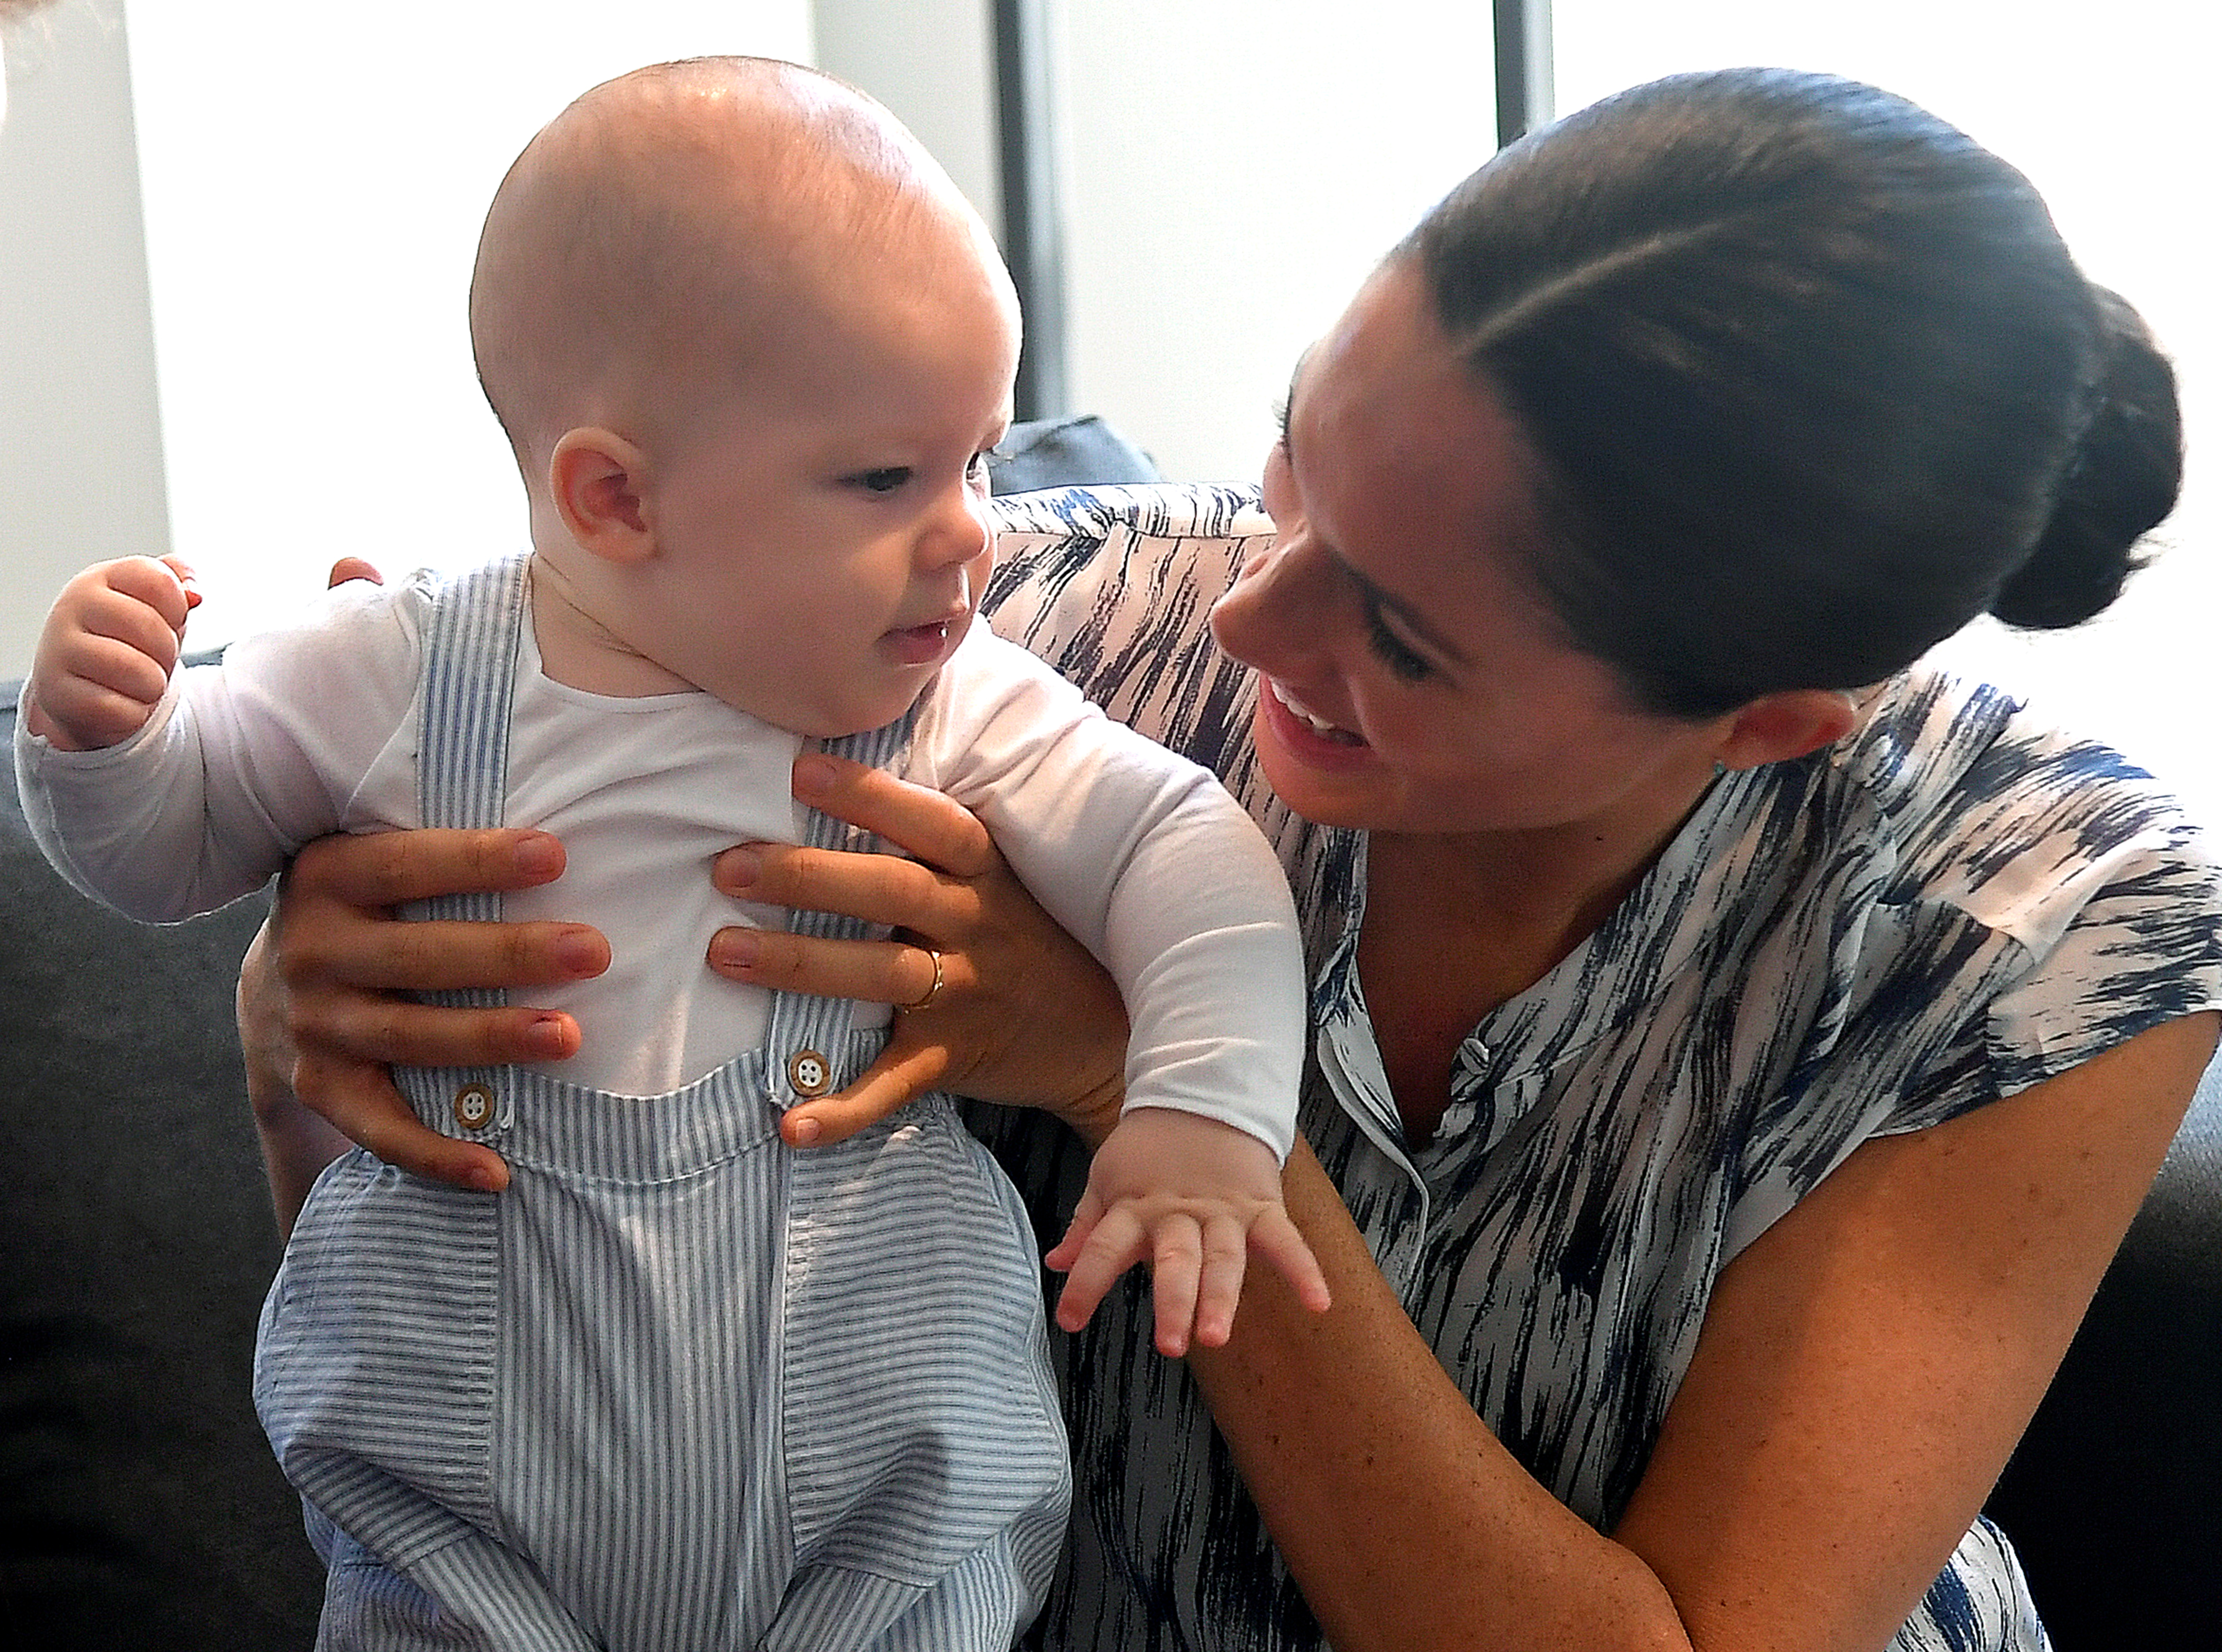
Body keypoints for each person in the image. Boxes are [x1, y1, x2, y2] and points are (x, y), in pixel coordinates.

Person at [233, 66, 2221, 1652]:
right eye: (1295, 462)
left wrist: (1141, 1071)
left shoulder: (2040, 925)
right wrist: (323, 969)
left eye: (1403, 633)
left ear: (1773, 711)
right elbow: (533, 697)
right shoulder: (1022, 622)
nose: (1249, 619)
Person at [15, 56, 1328, 1652]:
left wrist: (1204, 1111)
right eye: (885, 477)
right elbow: (162, 853)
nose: (975, 531)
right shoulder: (395, 668)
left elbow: (1181, 843)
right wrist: (103, 743)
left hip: (879, 1483)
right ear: (614, 497)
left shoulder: (954, 692)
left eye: (980, 459)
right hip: (469, 1503)